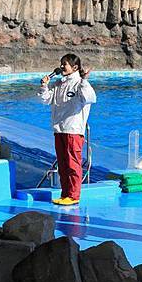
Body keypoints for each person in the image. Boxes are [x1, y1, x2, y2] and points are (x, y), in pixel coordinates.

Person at [39, 54, 96, 206]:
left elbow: (90, 98)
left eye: (65, 64)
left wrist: (84, 80)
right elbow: (45, 100)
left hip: (73, 131)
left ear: (75, 67)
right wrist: (44, 85)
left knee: (73, 164)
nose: (62, 66)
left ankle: (74, 195)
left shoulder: (80, 84)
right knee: (63, 165)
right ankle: (65, 194)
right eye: (61, 64)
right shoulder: (58, 83)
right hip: (59, 130)